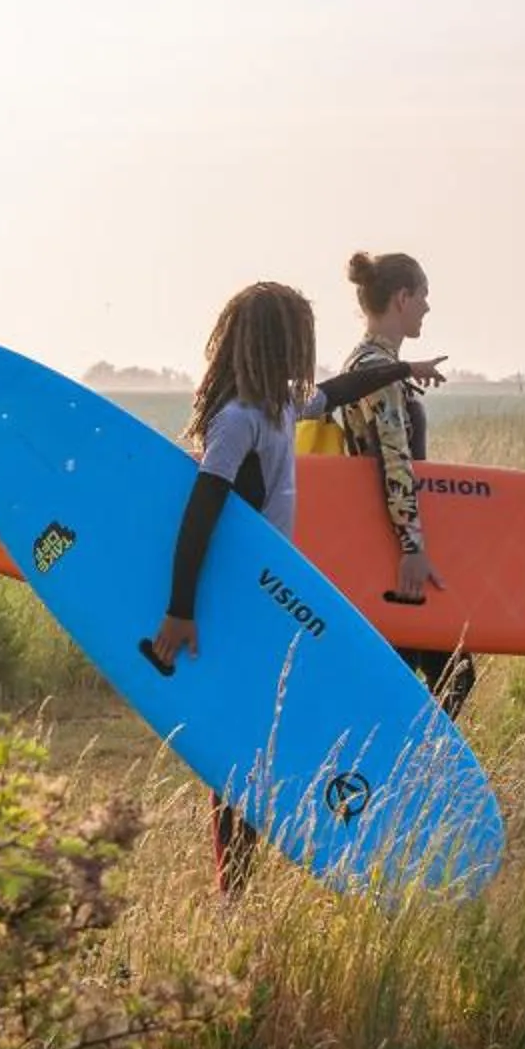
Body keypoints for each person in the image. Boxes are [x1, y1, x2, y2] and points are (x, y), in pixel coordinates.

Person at [151, 281, 445, 894]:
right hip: (238, 602)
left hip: (272, 600)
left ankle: (247, 875)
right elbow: (201, 512)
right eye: (299, 341)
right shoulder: (237, 423)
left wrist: (403, 368)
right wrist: (181, 610)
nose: (306, 355)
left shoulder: (281, 408)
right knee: (241, 744)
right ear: (274, 344)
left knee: (265, 737)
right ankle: (233, 886)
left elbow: (338, 391)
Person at [334, 250, 476, 718]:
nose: (427, 308)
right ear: (402, 297)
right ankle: (400, 774)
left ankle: (397, 773)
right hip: (389, 541)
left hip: (374, 534)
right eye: (423, 297)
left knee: (414, 671)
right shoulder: (378, 372)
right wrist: (411, 545)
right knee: (446, 672)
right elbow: (394, 462)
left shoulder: (366, 362)